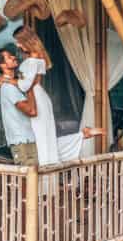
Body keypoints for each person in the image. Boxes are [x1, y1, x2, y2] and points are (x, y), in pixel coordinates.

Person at [12, 26, 103, 166]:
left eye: (18, 42)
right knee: (47, 139)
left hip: (35, 98)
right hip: (40, 96)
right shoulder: (37, 57)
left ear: (26, 40)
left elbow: (25, 85)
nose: (17, 45)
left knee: (42, 139)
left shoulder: (32, 59)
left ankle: (45, 173)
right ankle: (82, 135)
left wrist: (9, 79)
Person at [0, 47, 38, 166]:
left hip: (27, 137)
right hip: (22, 141)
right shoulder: (8, 88)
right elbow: (31, 111)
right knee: (29, 180)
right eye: (9, 57)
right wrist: (29, 88)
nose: (14, 57)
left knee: (34, 179)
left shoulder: (12, 82)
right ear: (2, 65)